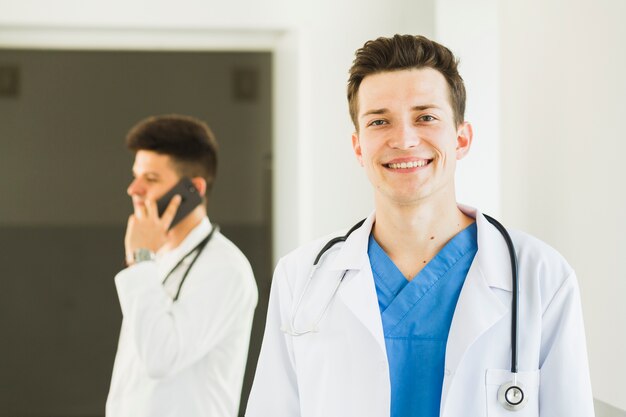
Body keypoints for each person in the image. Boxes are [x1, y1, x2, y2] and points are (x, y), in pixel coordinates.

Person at [245, 35, 594, 417]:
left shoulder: (541, 276)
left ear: (461, 138)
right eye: (380, 121)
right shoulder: (302, 278)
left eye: (425, 117)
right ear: (359, 146)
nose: (405, 139)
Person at [106, 114, 258, 417]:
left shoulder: (226, 268)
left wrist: (140, 259)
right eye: (136, 176)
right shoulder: (159, 257)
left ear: (194, 190)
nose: (133, 189)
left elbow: (160, 357)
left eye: (150, 179)